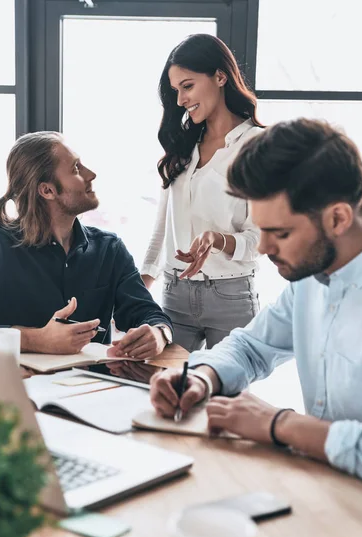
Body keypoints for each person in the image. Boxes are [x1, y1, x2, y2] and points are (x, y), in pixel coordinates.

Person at [150, 118, 362, 480]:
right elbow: (251, 346)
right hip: (328, 491)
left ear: (338, 218)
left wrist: (280, 424)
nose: (263, 248)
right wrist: (201, 377)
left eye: (280, 232)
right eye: (261, 230)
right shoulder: (310, 279)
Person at [0, 131, 173, 359]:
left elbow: (148, 312)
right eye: (75, 169)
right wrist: (37, 339)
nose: (91, 174)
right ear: (47, 190)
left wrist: (159, 333)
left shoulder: (110, 249)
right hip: (21, 387)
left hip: (94, 388)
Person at [141, 33, 263, 352]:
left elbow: (261, 239)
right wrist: (138, 293)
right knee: (168, 396)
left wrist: (217, 239)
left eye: (188, 85)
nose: (180, 99)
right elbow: (161, 231)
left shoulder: (258, 146)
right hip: (174, 295)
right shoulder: (181, 147)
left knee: (227, 401)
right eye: (175, 90)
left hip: (231, 298)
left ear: (220, 76)